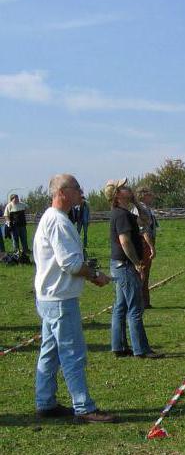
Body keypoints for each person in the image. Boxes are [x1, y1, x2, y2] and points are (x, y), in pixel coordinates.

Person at [33, 174, 115, 423]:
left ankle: (45, 402)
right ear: (63, 192)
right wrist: (95, 275)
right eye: (77, 188)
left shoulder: (52, 218)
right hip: (59, 299)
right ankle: (84, 407)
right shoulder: (58, 221)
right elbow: (70, 264)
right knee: (72, 353)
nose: (82, 192)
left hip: (50, 298)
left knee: (50, 351)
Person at [104, 178, 163, 359]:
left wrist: (136, 201)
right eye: (123, 187)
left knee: (121, 306)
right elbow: (125, 241)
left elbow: (146, 221)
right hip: (126, 265)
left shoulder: (124, 212)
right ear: (117, 194)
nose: (128, 188)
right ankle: (141, 349)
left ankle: (119, 347)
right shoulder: (121, 215)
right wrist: (137, 262)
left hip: (121, 265)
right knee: (135, 308)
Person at [132, 187, 158, 309]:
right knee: (141, 272)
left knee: (145, 273)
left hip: (146, 243)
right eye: (149, 194)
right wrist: (151, 246)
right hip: (143, 244)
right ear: (143, 196)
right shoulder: (140, 210)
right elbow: (144, 230)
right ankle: (140, 301)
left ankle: (145, 301)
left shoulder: (146, 209)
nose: (152, 196)